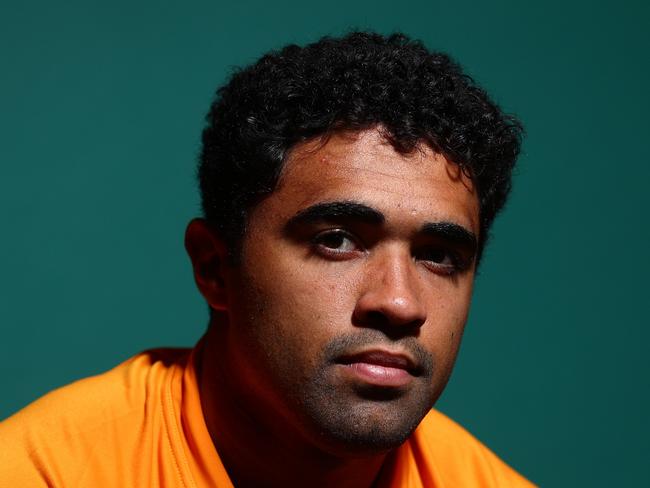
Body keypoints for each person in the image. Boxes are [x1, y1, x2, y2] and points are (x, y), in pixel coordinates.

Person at [0, 32, 534, 487]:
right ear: (214, 268)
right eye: (337, 240)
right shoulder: (39, 471)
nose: (398, 301)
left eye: (439, 256)